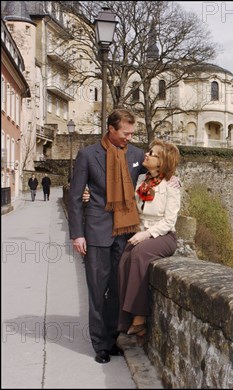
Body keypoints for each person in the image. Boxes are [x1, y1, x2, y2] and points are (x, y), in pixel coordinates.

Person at [68, 108, 146, 364]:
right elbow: (76, 197)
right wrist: (77, 234)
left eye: (132, 133)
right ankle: (100, 345)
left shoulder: (136, 154)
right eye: (125, 133)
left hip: (125, 233)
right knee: (97, 289)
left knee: (117, 290)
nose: (129, 137)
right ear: (111, 129)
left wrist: (172, 179)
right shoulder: (88, 155)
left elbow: (158, 171)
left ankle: (112, 339)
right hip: (96, 231)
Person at [117, 140, 181, 340]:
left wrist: (146, 234)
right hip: (142, 231)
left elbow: (170, 220)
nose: (147, 154)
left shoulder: (171, 185)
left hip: (163, 235)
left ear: (161, 162)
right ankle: (126, 321)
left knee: (138, 255)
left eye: (152, 153)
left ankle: (139, 319)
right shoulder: (142, 182)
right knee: (124, 260)